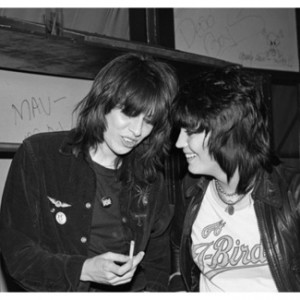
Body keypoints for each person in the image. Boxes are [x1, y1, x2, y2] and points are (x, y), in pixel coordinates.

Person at [0, 52, 178, 292]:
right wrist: (83, 269)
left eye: (149, 121)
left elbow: (157, 260)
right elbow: (17, 254)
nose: (137, 131)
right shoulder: (39, 155)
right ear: (103, 103)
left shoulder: (150, 176)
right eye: (128, 114)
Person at [168, 66, 300, 292]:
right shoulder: (191, 190)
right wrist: (177, 284)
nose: (179, 143)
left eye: (190, 132)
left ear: (227, 132)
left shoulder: (293, 193)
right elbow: (177, 247)